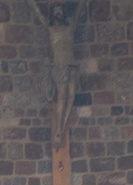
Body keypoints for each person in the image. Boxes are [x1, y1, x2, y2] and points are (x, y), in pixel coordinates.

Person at [25, 0, 88, 149]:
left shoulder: (70, 26)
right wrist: (31, 3)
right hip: (59, 67)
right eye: (56, 11)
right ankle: (59, 130)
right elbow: (39, 15)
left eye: (60, 10)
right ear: (53, 15)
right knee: (61, 98)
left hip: (71, 65)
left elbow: (79, 11)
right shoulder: (51, 29)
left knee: (71, 98)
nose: (58, 13)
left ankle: (63, 126)